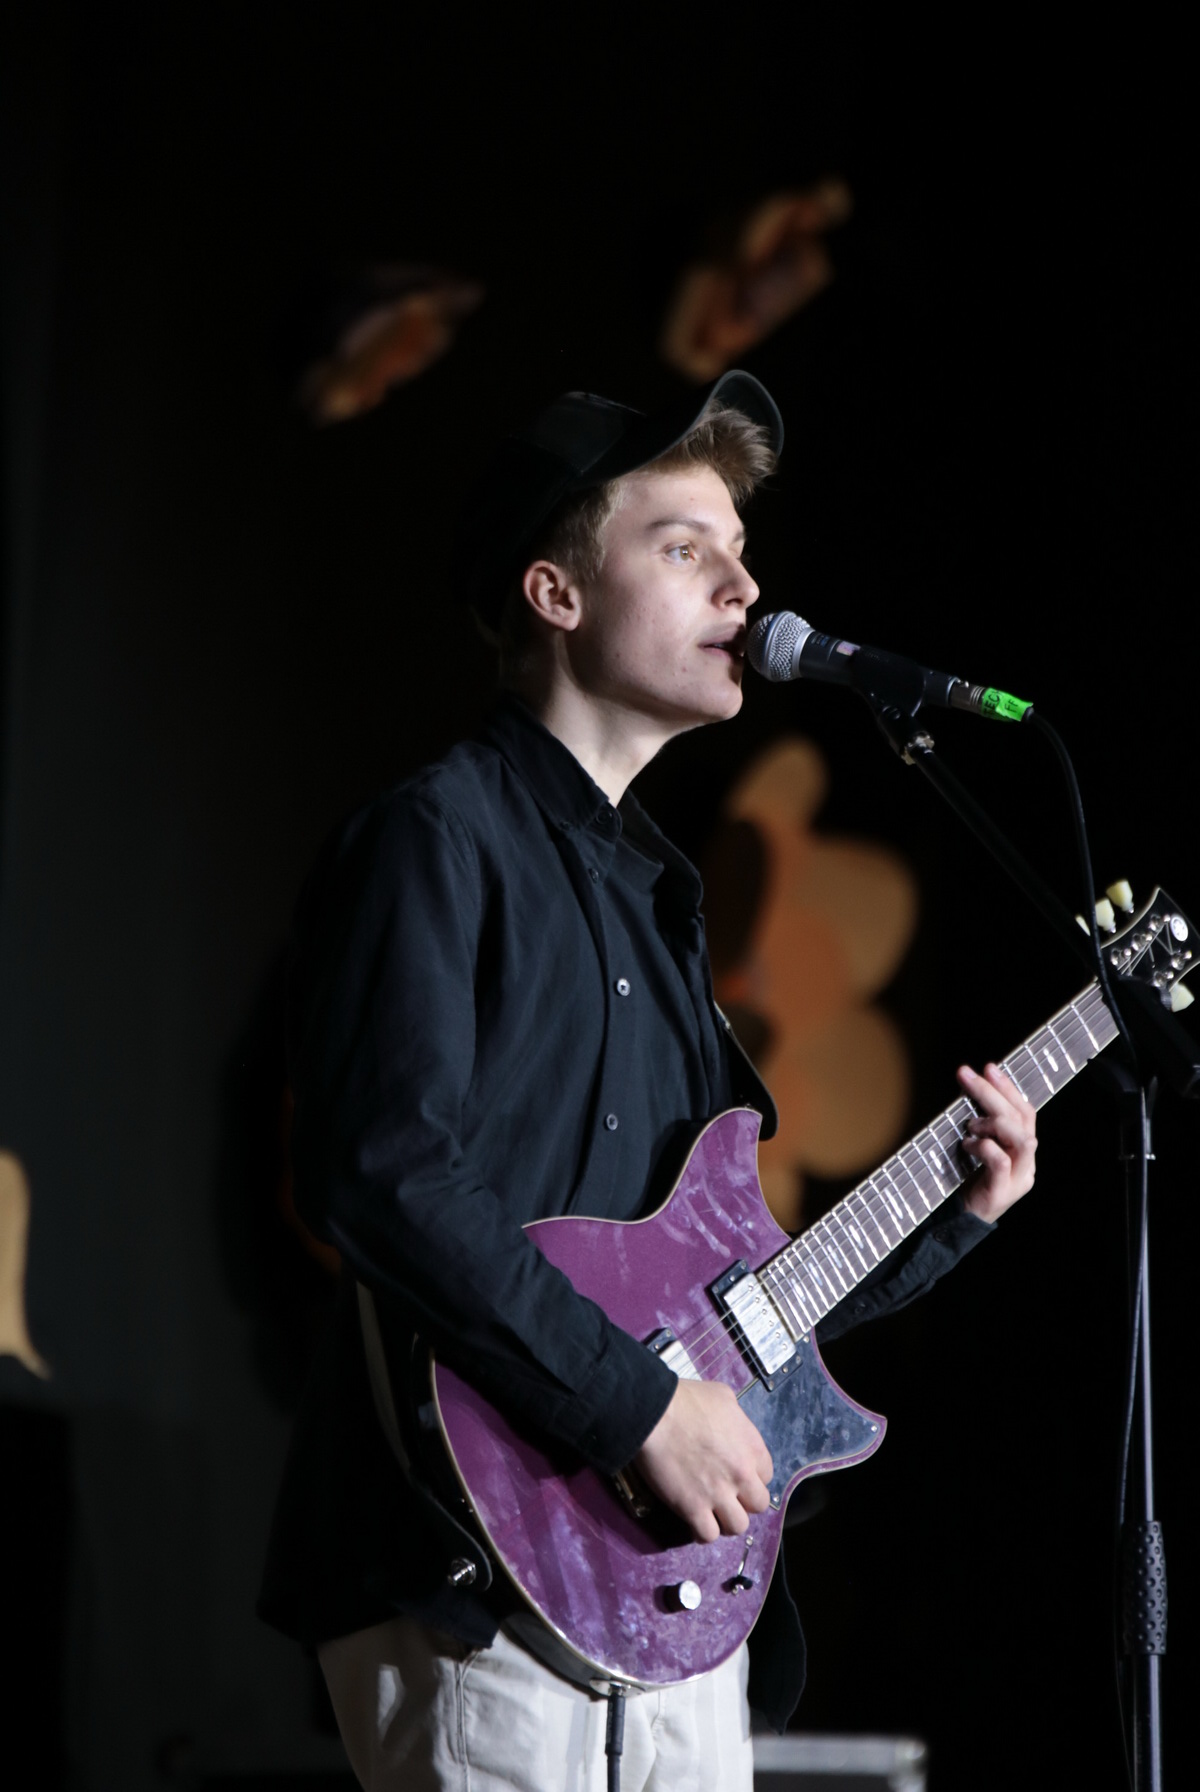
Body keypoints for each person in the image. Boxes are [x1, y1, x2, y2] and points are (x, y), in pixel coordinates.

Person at [258, 372, 1038, 1791]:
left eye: (742, 551)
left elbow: (734, 1316)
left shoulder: (664, 906)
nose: (745, 587)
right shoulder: (437, 838)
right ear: (555, 593)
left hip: (669, 1605)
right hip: (479, 1584)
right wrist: (635, 1411)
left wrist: (955, 1215)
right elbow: (380, 1175)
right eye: (686, 548)